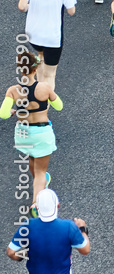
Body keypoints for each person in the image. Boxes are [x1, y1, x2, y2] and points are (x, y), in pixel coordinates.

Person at [0, 49, 62, 203]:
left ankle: (40, 186)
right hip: (41, 132)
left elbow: (3, 113)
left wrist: (13, 111)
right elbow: (59, 106)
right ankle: (36, 204)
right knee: (41, 171)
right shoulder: (45, 88)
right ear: (35, 69)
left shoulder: (13, 91)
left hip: (23, 133)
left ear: (21, 69)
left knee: (33, 159)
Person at [17, 0, 77, 88]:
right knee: (50, 75)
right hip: (52, 36)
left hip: (34, 34)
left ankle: (38, 88)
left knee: (40, 57)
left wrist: (29, 7)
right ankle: (44, 106)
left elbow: (22, 6)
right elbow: (71, 11)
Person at [5, 190, 91, 272]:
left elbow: (11, 252)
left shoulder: (27, 225)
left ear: (37, 209)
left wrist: (26, 253)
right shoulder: (68, 226)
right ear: (58, 205)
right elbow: (85, 250)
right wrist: (82, 229)